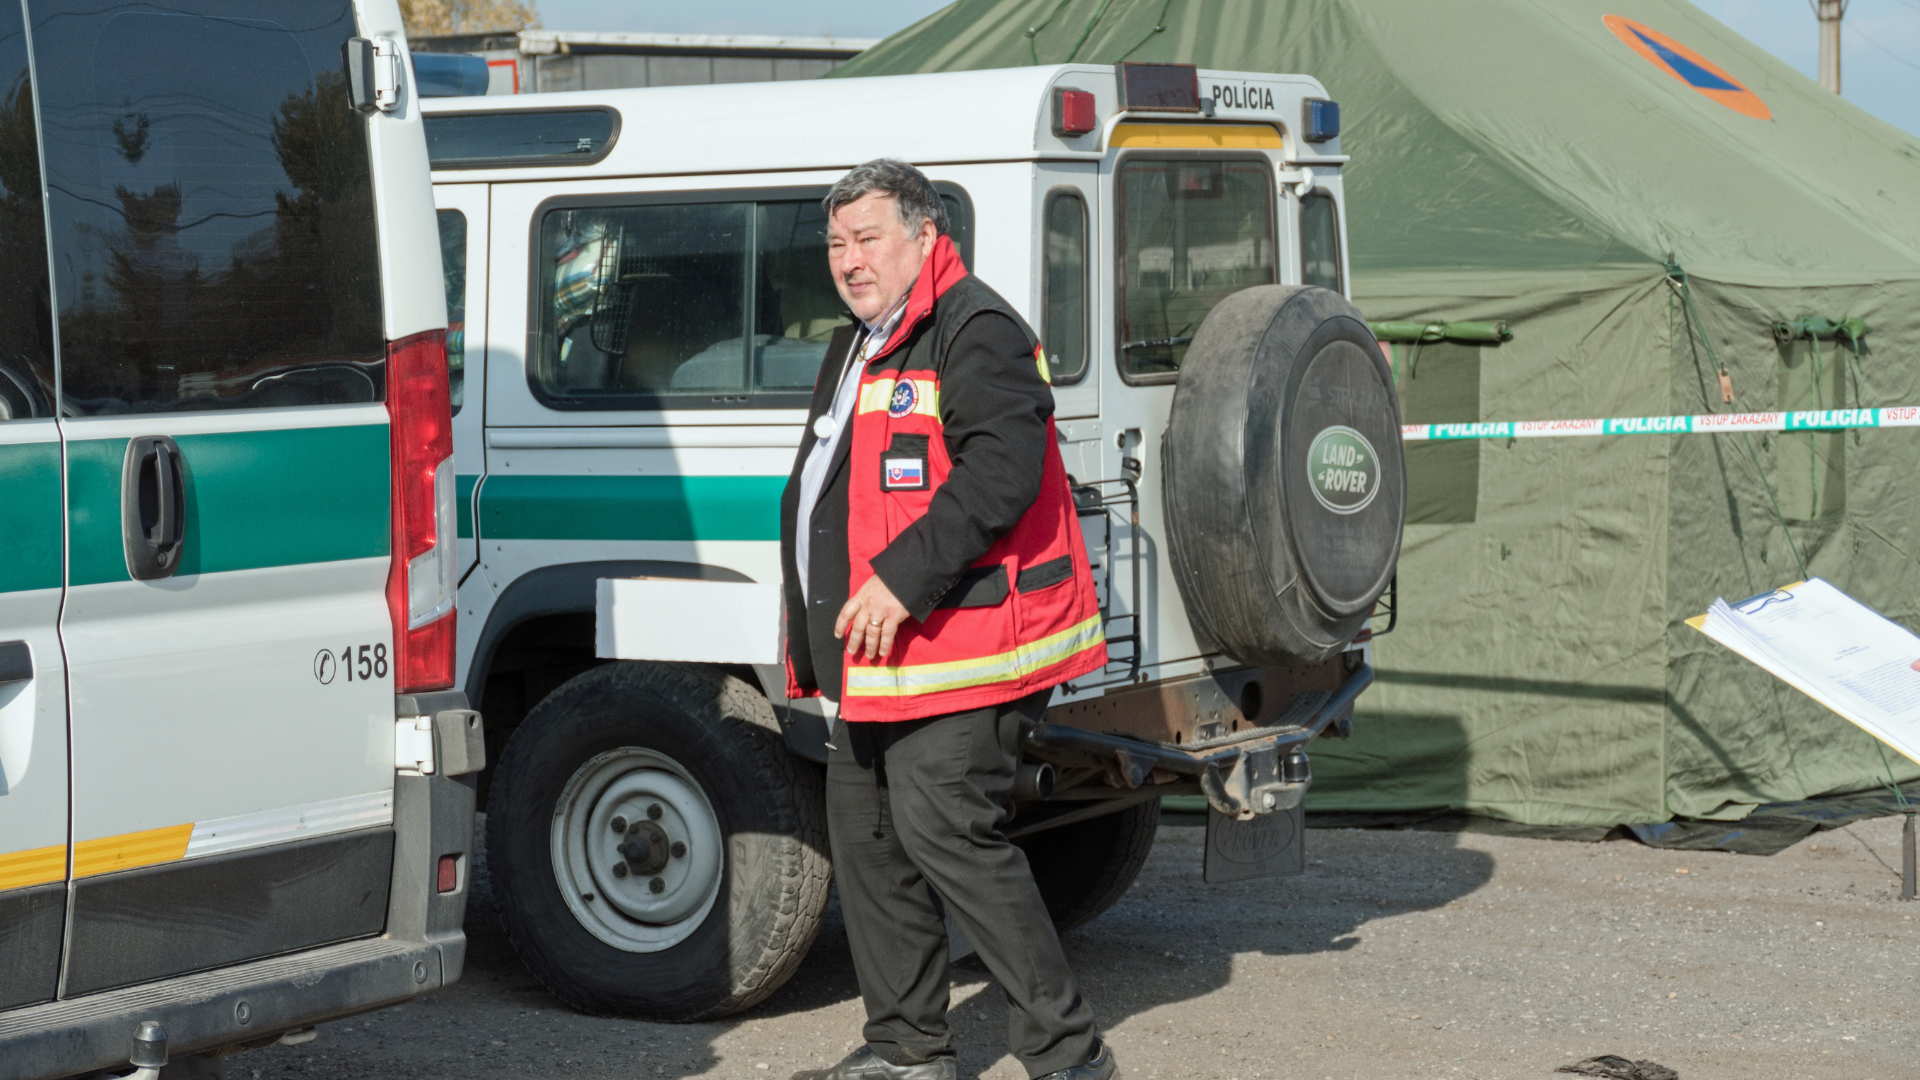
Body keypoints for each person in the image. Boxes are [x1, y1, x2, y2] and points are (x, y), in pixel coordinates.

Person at [780, 159, 1117, 1080]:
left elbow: (1001, 472)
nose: (850, 259)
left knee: (946, 836)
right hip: (878, 658)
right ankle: (907, 1052)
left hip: (963, 648)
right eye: (838, 243)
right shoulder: (861, 337)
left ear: (925, 237)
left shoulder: (975, 328)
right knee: (871, 847)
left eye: (869, 237)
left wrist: (899, 579)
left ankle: (1068, 1052)